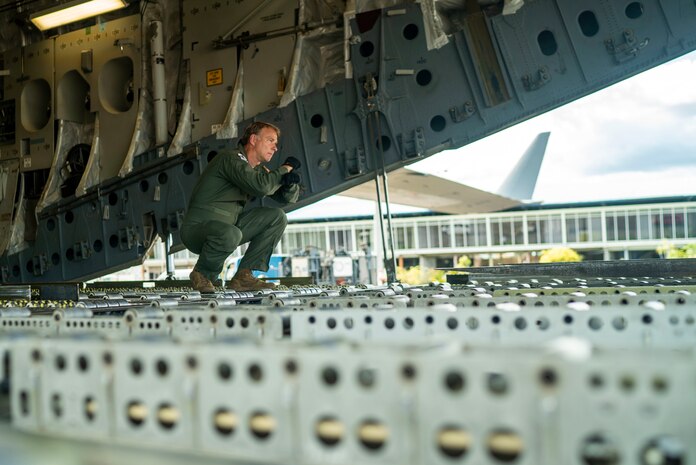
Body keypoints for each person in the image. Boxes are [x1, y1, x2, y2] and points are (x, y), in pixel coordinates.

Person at [181, 121, 301, 292]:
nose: (275, 147)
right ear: (253, 139)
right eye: (270, 140)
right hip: (197, 230)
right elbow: (262, 186)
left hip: (228, 229)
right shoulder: (230, 159)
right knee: (231, 233)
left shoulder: (257, 170)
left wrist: (289, 185)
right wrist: (285, 169)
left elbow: (287, 199)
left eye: (276, 143)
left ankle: (244, 276)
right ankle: (203, 274)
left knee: (277, 217)